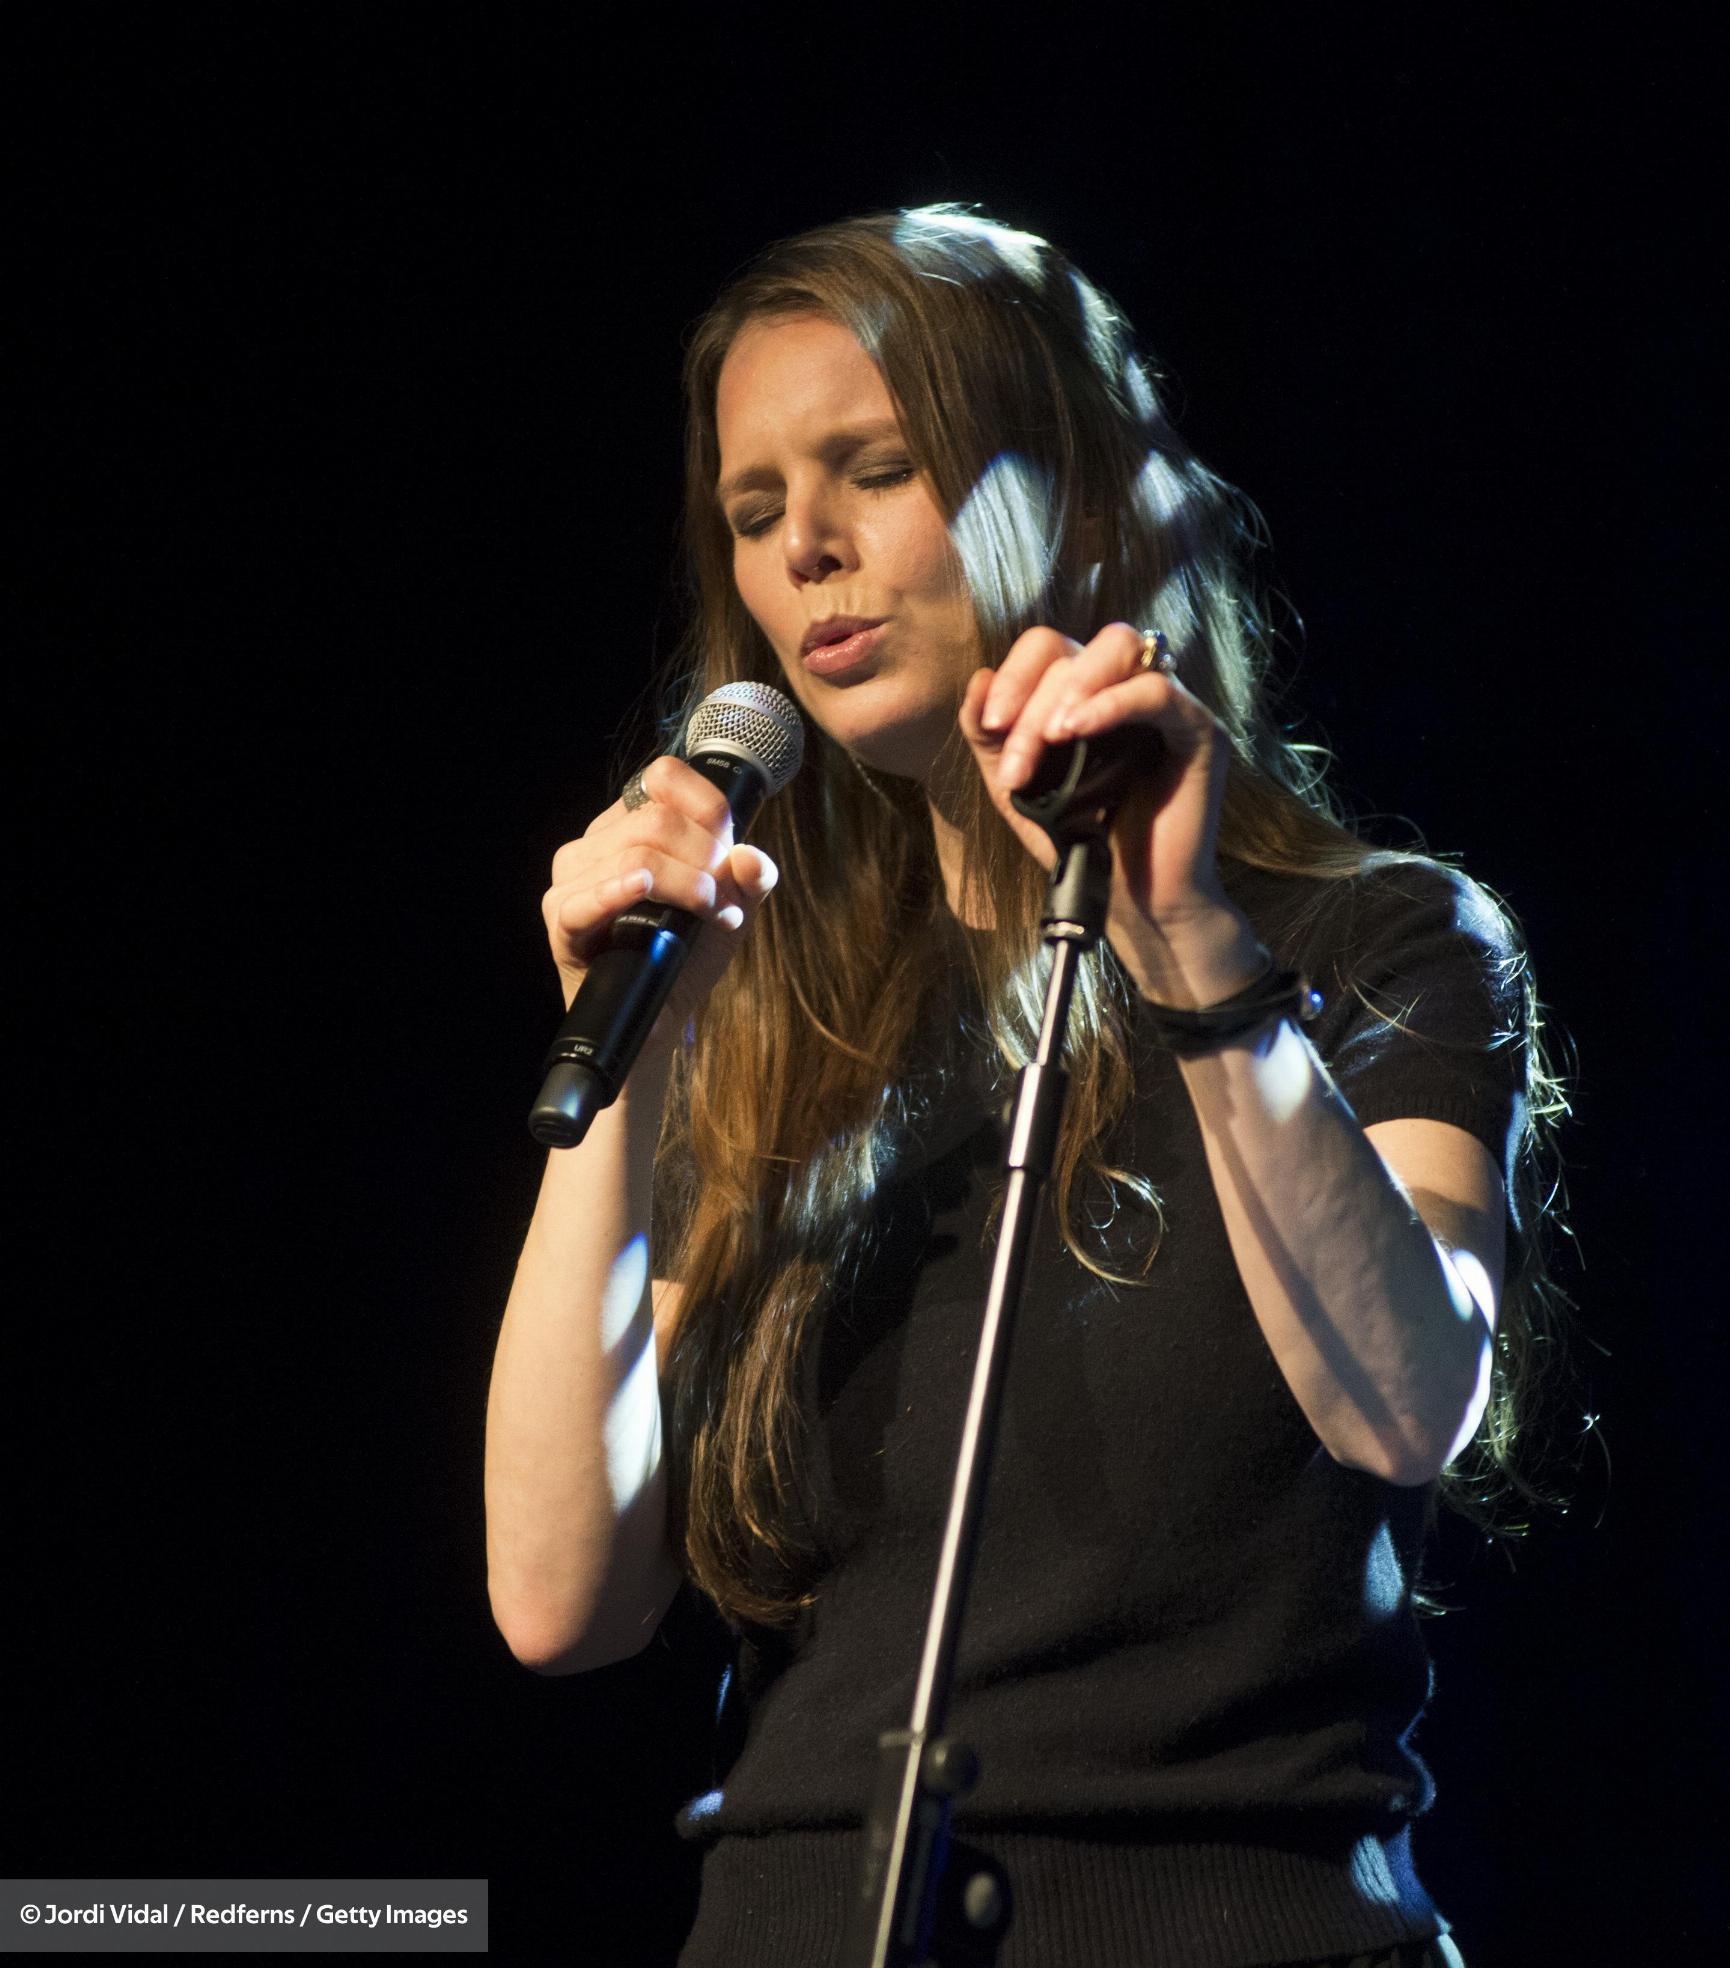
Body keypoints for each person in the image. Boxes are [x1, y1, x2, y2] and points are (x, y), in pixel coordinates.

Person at [485, 204, 1569, 1968]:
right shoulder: (763, 1022)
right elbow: (555, 1601)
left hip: (1227, 1924)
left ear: (1050, 493)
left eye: (875, 470)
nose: (810, 550)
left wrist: (1191, 948)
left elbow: (1406, 1400)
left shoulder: (1380, 946)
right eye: (757, 516)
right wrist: (621, 1064)